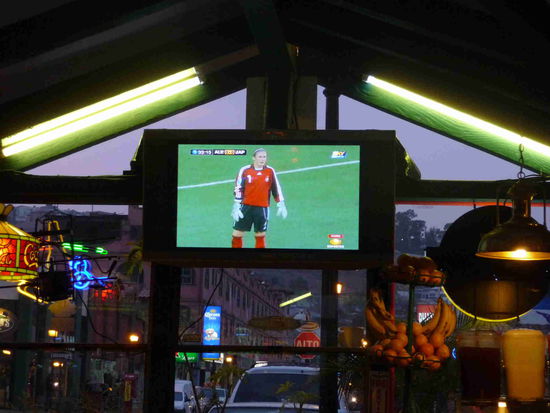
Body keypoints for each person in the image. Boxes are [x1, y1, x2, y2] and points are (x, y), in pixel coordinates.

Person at [231, 148, 287, 248]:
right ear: (254, 158)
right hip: (245, 207)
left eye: (264, 157)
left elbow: (276, 187)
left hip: (262, 208)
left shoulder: (270, 171)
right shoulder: (245, 170)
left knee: (260, 235)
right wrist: (236, 205)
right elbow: (238, 187)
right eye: (260, 157)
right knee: (237, 234)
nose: (262, 159)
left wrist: (281, 203)